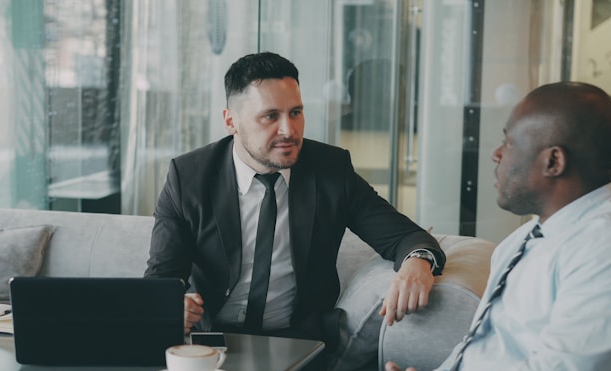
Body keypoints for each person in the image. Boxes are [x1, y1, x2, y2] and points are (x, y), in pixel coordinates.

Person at [377, 81, 611, 371]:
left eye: (509, 143)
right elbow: (484, 344)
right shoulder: (523, 238)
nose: (496, 154)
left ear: (553, 161)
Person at [145, 51, 444, 343]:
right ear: (230, 121)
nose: (289, 130)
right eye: (270, 116)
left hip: (297, 343)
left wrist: (417, 262)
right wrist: (172, 307)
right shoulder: (189, 177)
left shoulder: (331, 171)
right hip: (209, 341)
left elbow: (405, 237)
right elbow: (161, 279)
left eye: (296, 113)